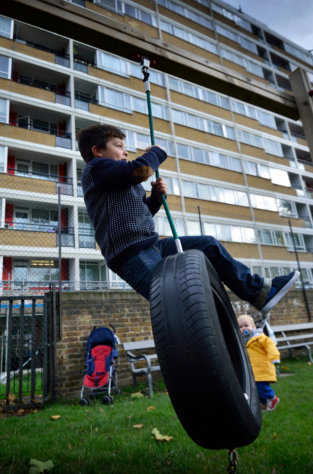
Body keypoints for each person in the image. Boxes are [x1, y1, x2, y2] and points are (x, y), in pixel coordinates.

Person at [78, 124, 299, 313]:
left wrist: (155, 198)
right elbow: (142, 169)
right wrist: (157, 152)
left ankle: (260, 292)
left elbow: (139, 212)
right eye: (118, 146)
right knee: (176, 300)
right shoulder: (95, 169)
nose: (125, 152)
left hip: (151, 245)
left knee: (208, 245)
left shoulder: (117, 180)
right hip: (130, 254)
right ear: (97, 151)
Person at [237, 315, 280, 411]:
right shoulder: (243, 341)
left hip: (262, 367)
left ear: (253, 327)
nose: (243, 328)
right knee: (256, 387)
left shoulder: (259, 337)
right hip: (253, 369)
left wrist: (274, 357)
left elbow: (270, 345)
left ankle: (272, 398)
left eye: (246, 325)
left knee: (261, 385)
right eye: (240, 327)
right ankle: (263, 402)